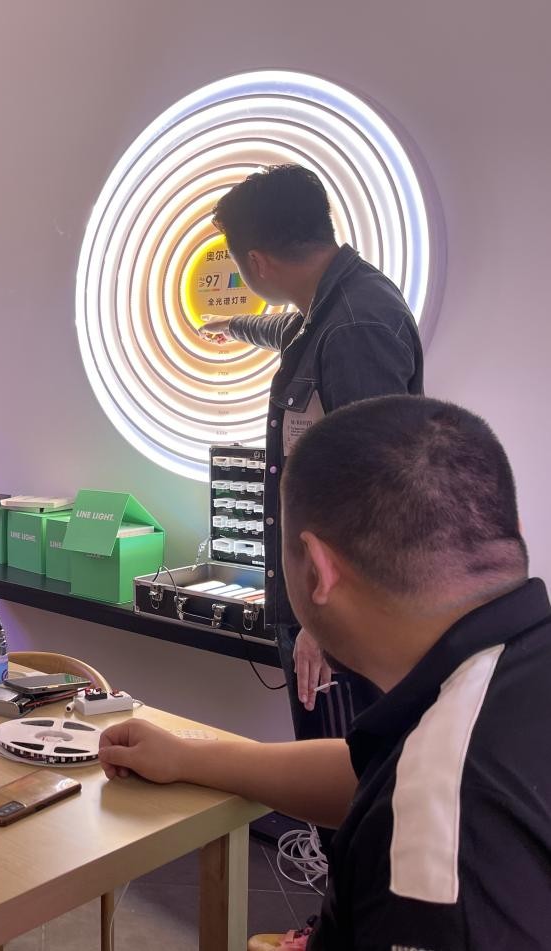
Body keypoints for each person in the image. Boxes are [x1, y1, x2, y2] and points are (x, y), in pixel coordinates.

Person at [99, 396, 550, 949]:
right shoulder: (498, 679)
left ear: (318, 569)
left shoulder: (434, 841)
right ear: (509, 532)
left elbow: (426, 790)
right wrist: (188, 756)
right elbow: (373, 772)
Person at [199, 164, 424, 743]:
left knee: (342, 773)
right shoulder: (327, 311)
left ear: (256, 263)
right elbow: (286, 333)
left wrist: (326, 623)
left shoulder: (354, 327)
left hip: (346, 622)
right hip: (321, 606)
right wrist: (234, 325)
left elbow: (375, 488)